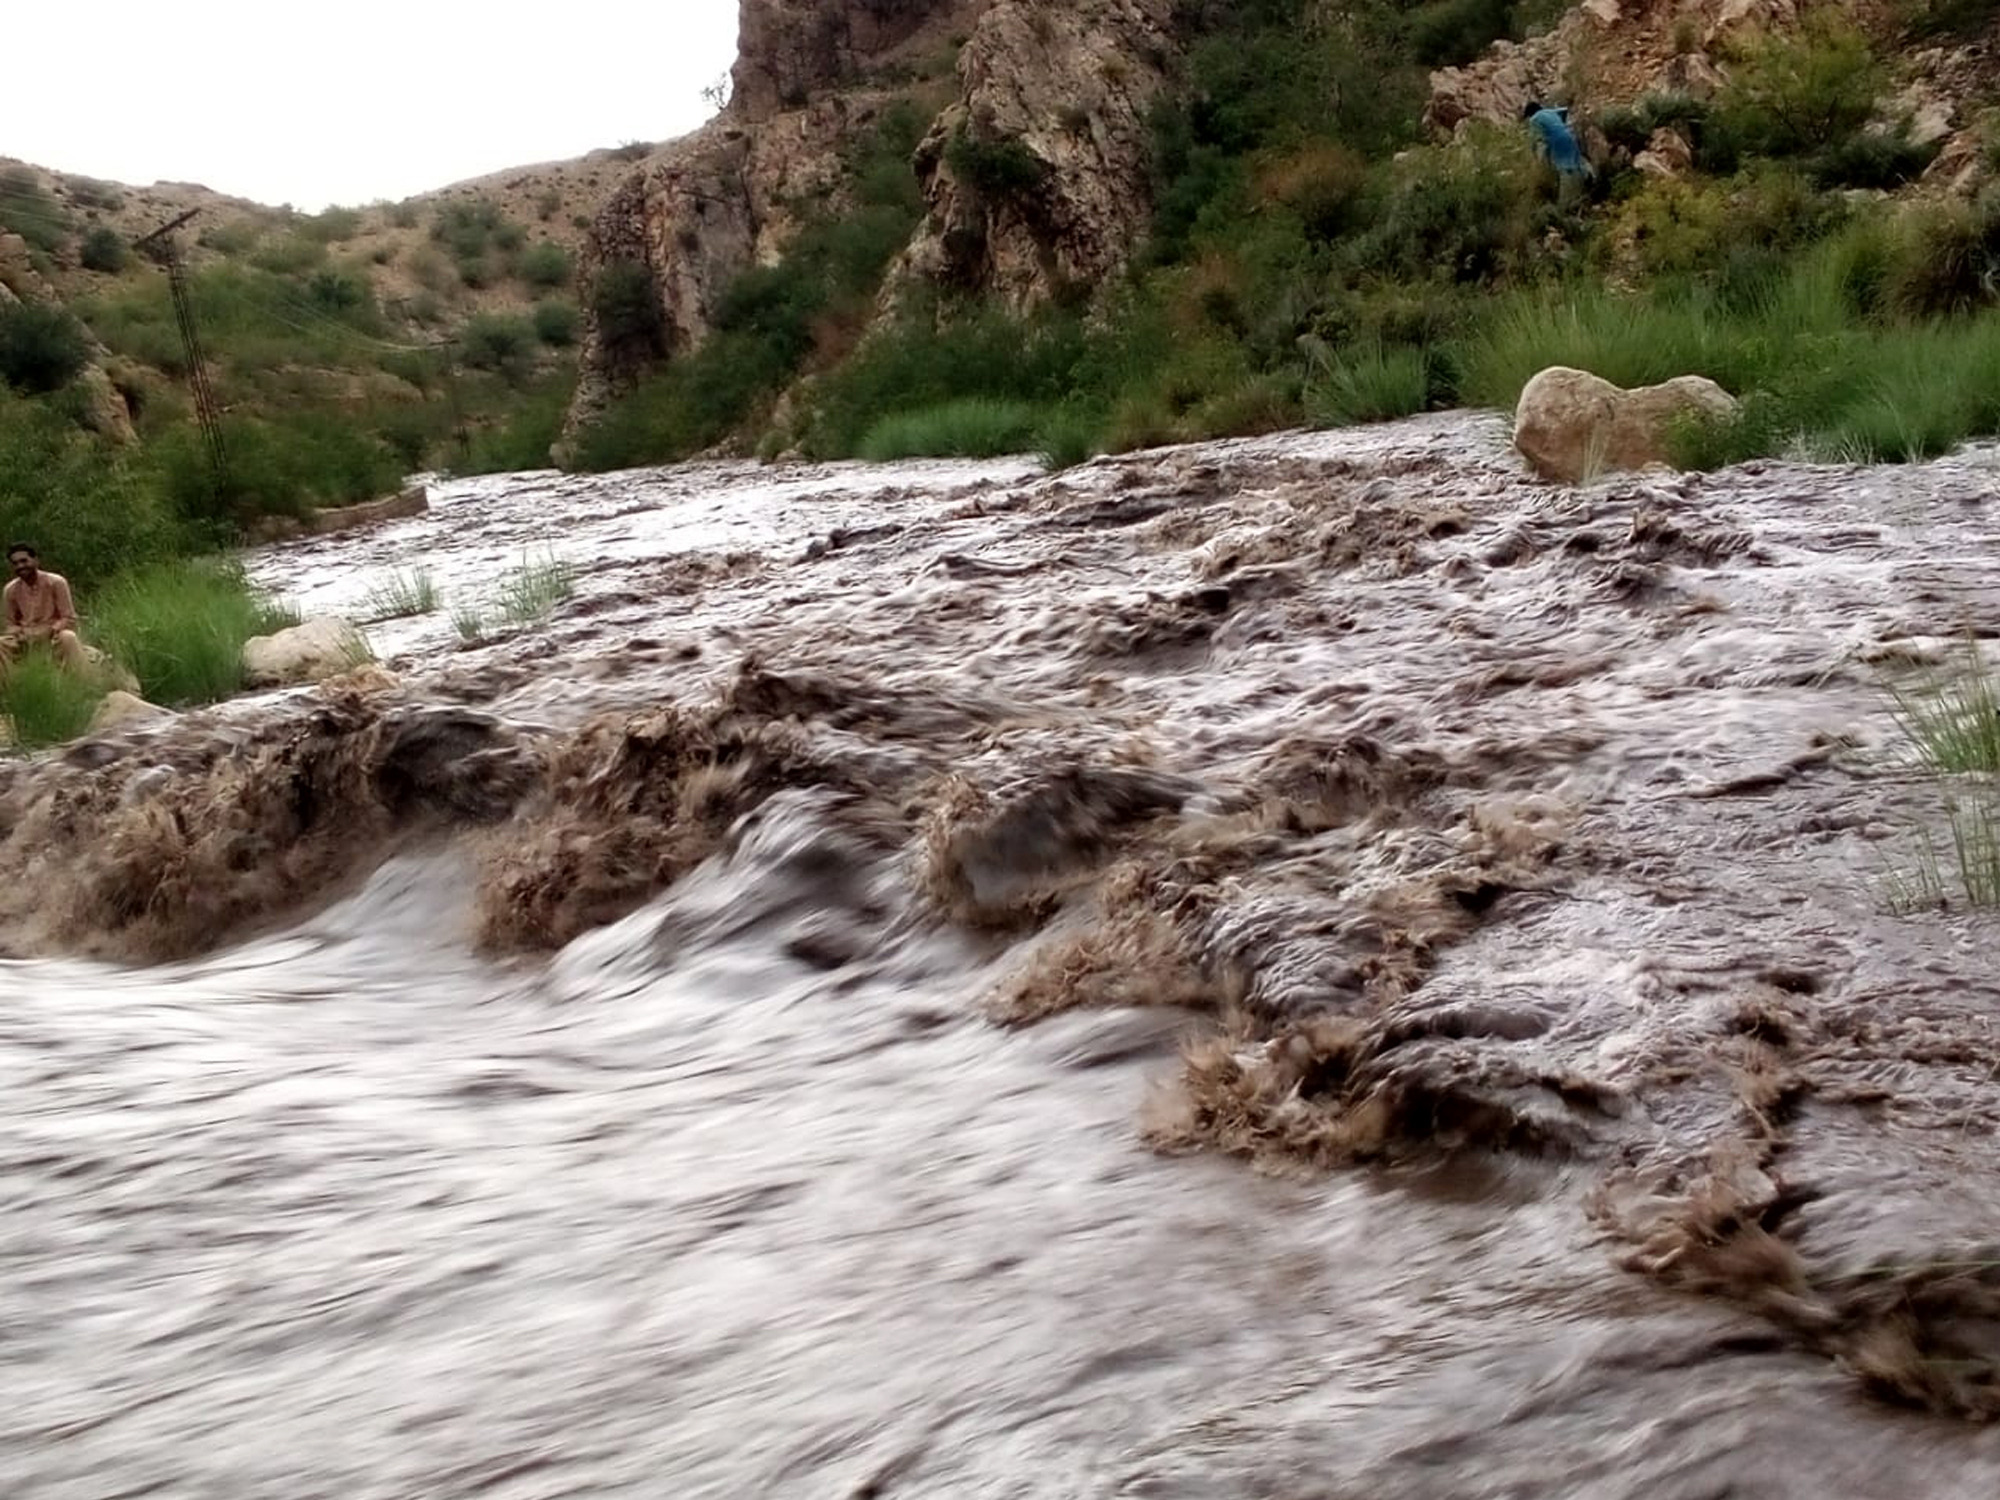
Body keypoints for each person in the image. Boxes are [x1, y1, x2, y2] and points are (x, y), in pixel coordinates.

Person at [1, 543, 88, 673]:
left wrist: (49, 630)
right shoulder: (10, 589)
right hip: (25, 637)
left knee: (68, 637)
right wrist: (22, 633)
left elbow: (68, 617)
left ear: (35, 560)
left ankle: (85, 682)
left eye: (24, 561)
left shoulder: (56, 582)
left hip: (53, 635)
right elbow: (8, 623)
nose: (20, 566)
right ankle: (7, 687)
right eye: (15, 563)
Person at [1522, 99, 1595, 198]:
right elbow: (1564, 110)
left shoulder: (1534, 119)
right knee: (1576, 161)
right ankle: (1590, 179)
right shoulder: (1551, 112)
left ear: (1530, 113)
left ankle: (1569, 200)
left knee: (1565, 168)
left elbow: (1537, 139)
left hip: (1556, 142)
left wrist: (1535, 155)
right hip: (1569, 136)